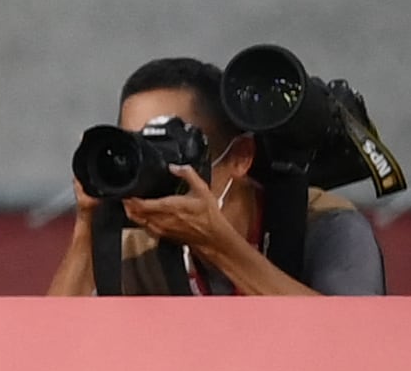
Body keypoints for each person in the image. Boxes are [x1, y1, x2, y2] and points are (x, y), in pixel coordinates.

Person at [47, 57, 387, 297]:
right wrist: (87, 230)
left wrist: (217, 244)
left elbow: (352, 342)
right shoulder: (141, 245)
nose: (152, 166)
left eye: (167, 146)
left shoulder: (327, 225)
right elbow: (51, 355)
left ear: (240, 157)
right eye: (137, 149)